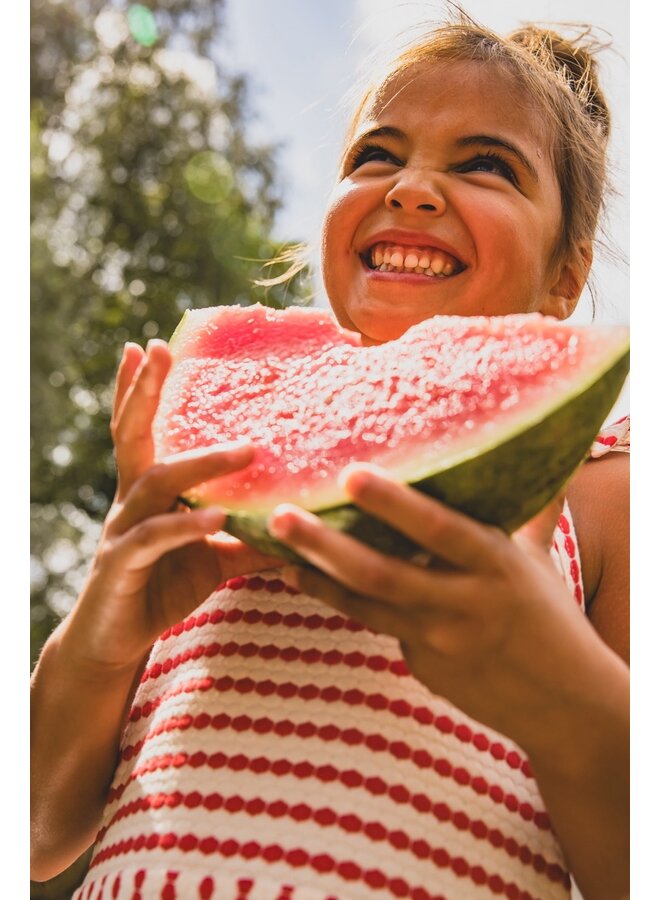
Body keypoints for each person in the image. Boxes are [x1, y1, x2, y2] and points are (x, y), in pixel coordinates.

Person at [31, 13, 629, 900]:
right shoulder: (216, 460)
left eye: (485, 165)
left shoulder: (606, 484)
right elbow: (33, 836)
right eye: (375, 157)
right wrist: (104, 641)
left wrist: (561, 693)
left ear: (565, 276)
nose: (412, 188)